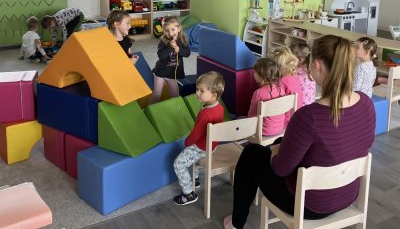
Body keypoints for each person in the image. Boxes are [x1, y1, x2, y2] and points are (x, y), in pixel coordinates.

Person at [223, 35, 376, 229]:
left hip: (309, 204)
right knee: (280, 140)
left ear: (317, 65)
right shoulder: (366, 103)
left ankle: (236, 223)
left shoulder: (308, 116)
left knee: (251, 153)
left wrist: (275, 152)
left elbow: (280, 169)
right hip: (347, 194)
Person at [173, 71, 225, 205]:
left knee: (178, 164)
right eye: (197, 89)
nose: (197, 93)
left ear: (214, 95)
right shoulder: (220, 107)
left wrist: (187, 142)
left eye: (201, 91)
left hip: (201, 148)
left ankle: (188, 194)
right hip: (212, 146)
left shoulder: (205, 114)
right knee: (192, 157)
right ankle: (195, 179)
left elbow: (195, 135)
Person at [148, 16, 190, 104]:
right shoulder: (163, 41)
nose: (170, 33)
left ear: (179, 29)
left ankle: (177, 109)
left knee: (175, 95)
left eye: (173, 29)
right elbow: (160, 55)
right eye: (167, 30)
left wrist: (179, 50)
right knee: (156, 95)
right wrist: (170, 47)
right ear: (164, 31)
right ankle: (147, 109)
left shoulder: (183, 40)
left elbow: (187, 54)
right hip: (160, 73)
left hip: (172, 74)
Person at [248, 57, 288, 136]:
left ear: (262, 76)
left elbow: (251, 116)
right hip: (280, 128)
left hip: (263, 131)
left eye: (255, 72)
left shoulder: (258, 93)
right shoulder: (281, 90)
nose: (253, 74)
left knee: (240, 119)